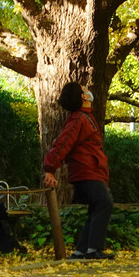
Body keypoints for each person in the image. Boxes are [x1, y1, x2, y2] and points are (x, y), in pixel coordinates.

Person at [42, 83, 114, 261]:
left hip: (92, 170)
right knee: (104, 203)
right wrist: (50, 169)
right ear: (83, 96)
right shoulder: (79, 119)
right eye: (84, 89)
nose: (87, 89)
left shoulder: (86, 117)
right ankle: (93, 250)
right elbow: (63, 142)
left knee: (97, 207)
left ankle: (81, 252)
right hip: (86, 171)